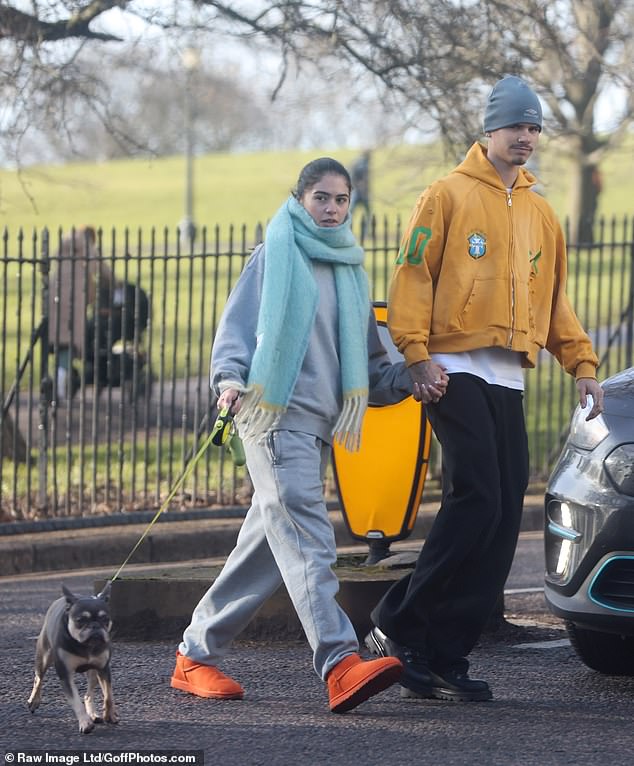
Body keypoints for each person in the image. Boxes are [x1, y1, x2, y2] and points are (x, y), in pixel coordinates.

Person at [364, 75, 604, 702]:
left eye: (534, 128)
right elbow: (411, 276)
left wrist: (581, 362)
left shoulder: (541, 212)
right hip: (450, 367)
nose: (525, 138)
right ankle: (397, 622)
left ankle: (446, 653)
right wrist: (415, 356)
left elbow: (555, 303)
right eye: (516, 126)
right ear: (490, 129)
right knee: (476, 497)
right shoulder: (444, 195)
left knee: (501, 518)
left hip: (507, 374)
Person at [171, 157, 412, 713]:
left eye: (341, 199)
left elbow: (374, 369)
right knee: (307, 536)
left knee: (265, 548)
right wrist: (228, 380)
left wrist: (413, 378)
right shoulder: (274, 256)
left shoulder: (350, 271)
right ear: (300, 199)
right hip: (272, 420)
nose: (331, 209)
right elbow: (234, 331)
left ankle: (193, 655)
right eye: (321, 198)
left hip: (319, 428)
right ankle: (340, 663)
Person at [48, 226, 114, 400]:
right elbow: (102, 270)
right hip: (74, 302)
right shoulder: (87, 248)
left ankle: (57, 379)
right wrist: (116, 282)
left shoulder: (64, 249)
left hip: (55, 301)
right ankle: (61, 387)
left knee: (61, 341)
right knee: (70, 341)